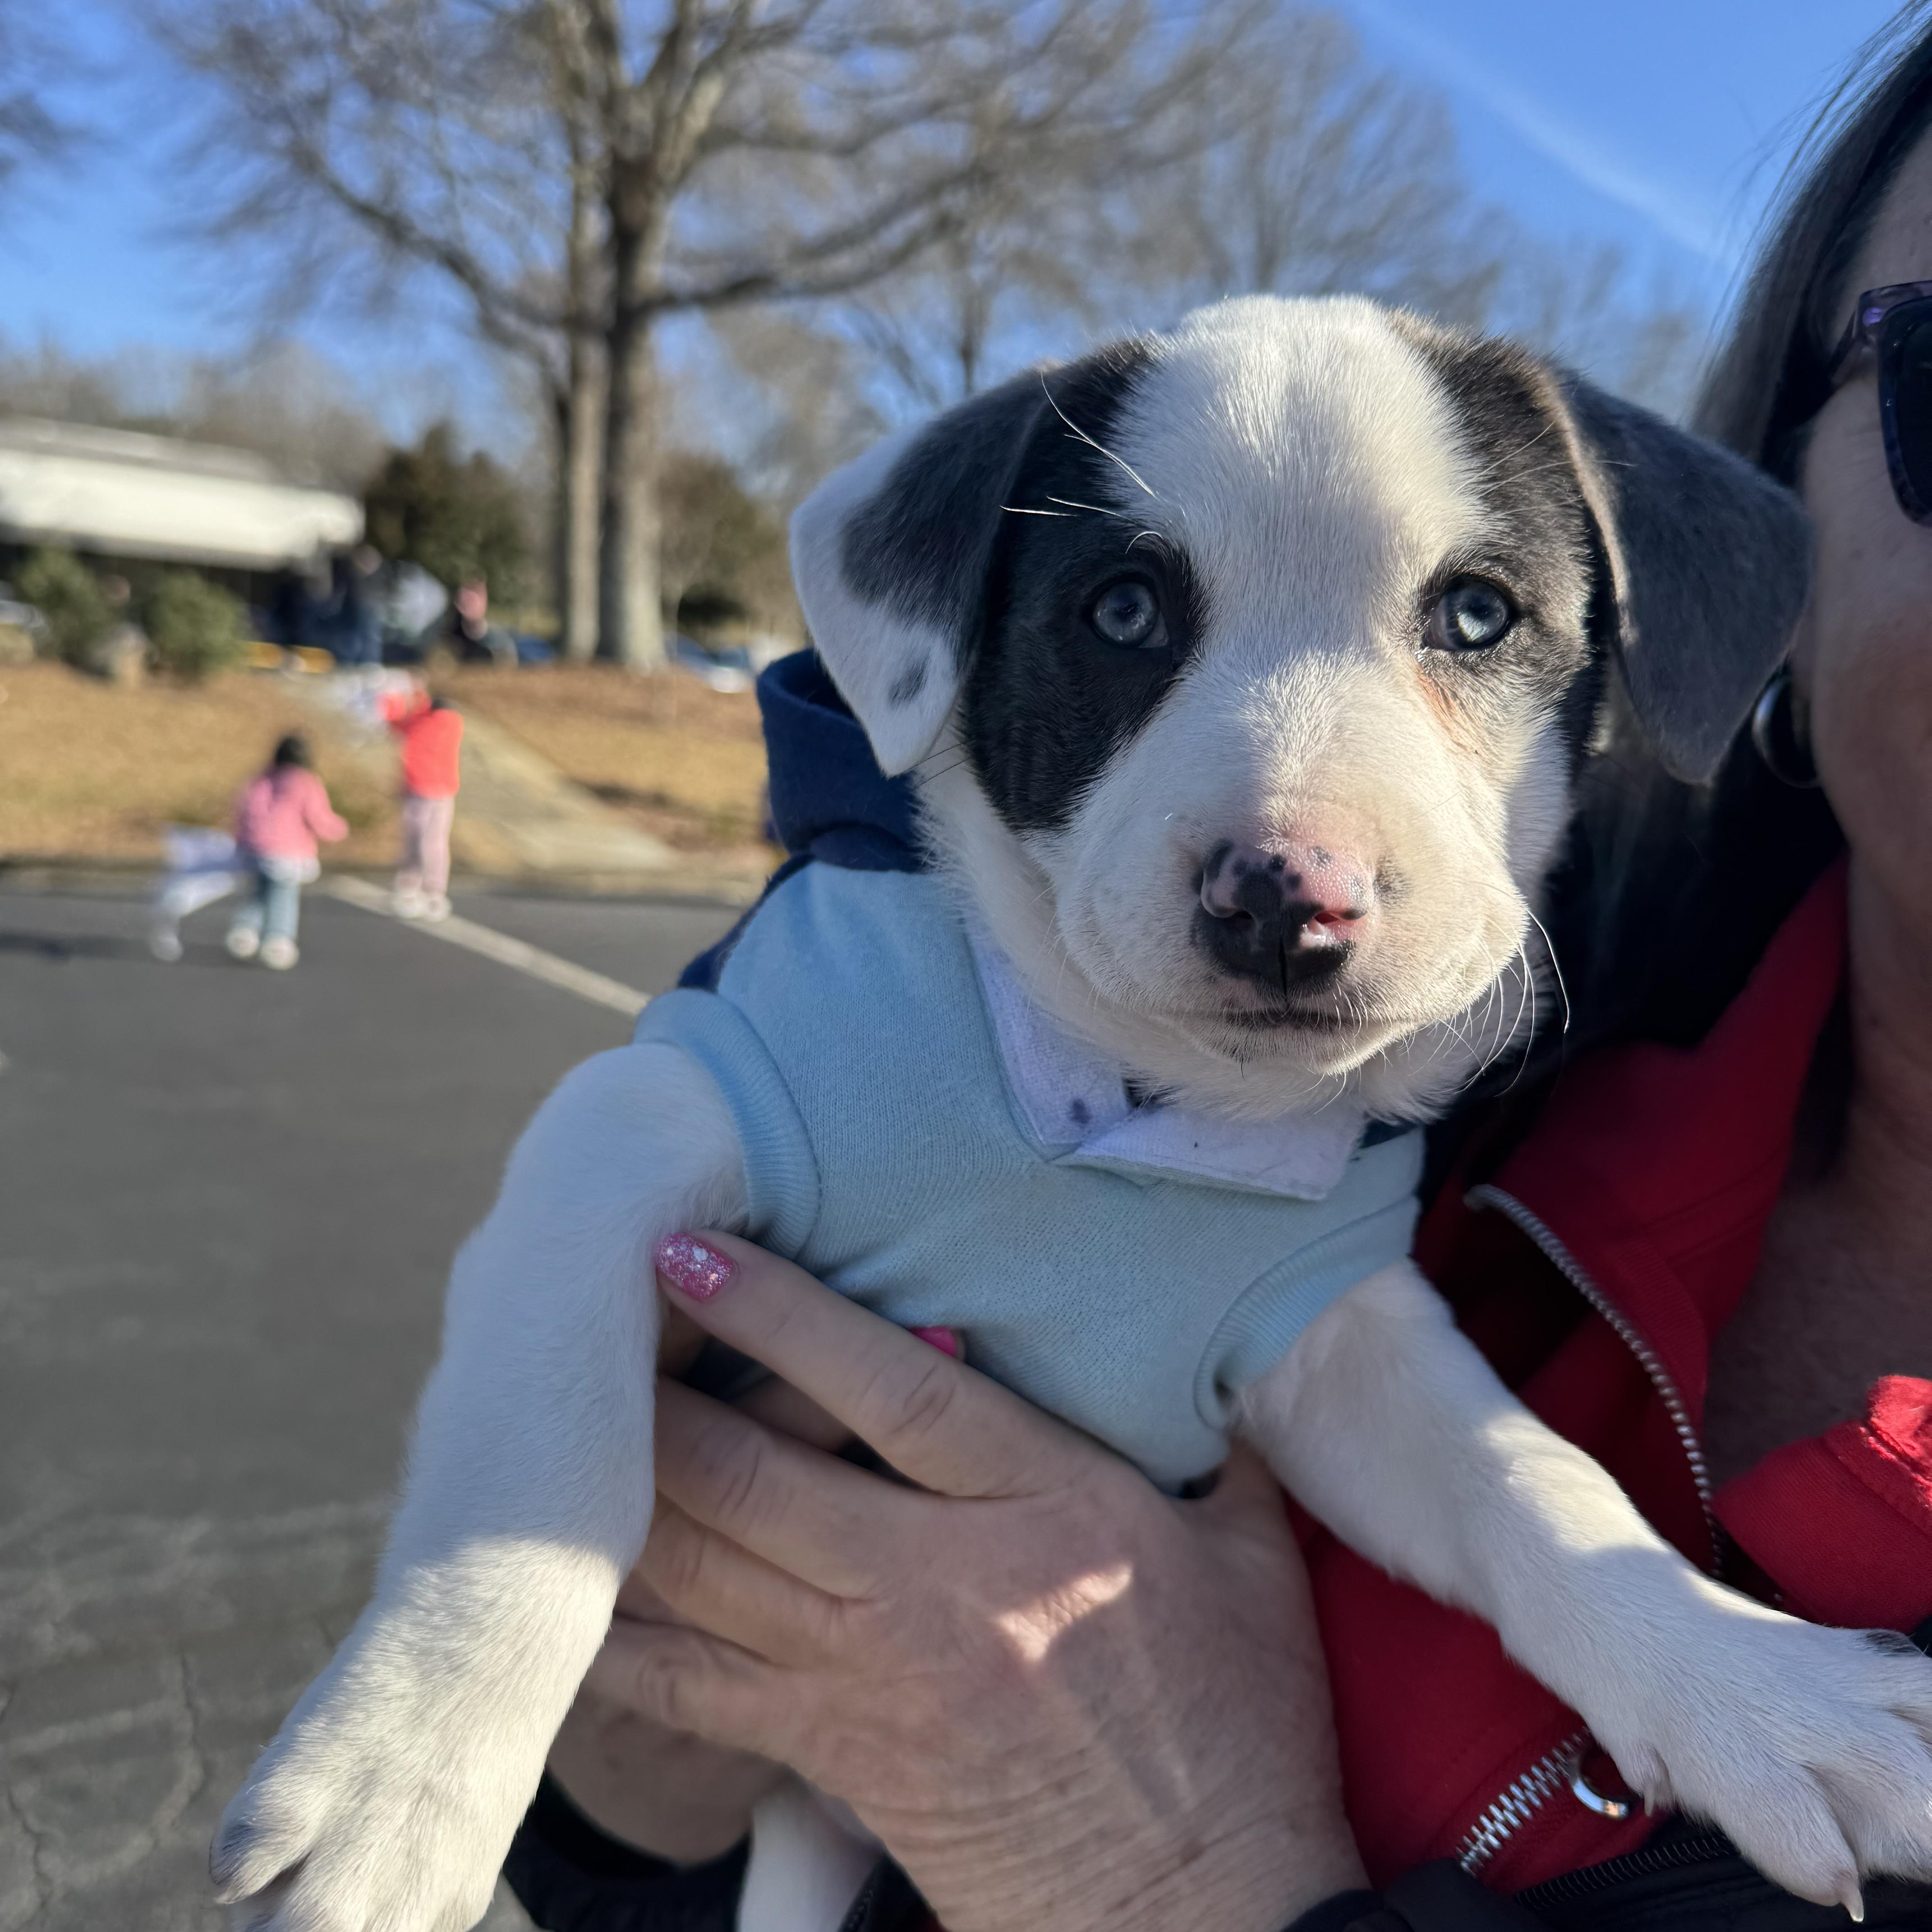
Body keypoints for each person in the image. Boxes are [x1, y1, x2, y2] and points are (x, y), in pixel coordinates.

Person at [501, 17, 1932, 1931]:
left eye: (1467, 615)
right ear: (1774, 489)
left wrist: (1182, 1879)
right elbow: (638, 1805)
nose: (1296, 872)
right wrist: (630, 1749)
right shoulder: (1528, 1027)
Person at [226, 733, 347, 971]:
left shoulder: (262, 779)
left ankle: (244, 932)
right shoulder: (306, 782)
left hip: (258, 848)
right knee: (285, 896)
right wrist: (337, 829)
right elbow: (317, 817)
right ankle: (279, 940)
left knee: (260, 892)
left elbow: (246, 811)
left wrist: (242, 841)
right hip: (289, 852)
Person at [381, 685, 463, 920]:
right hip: (442, 791)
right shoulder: (454, 723)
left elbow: (398, 725)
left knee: (417, 841)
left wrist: (398, 700)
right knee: (434, 843)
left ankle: (411, 888)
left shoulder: (426, 723)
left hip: (421, 790)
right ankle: (434, 892)